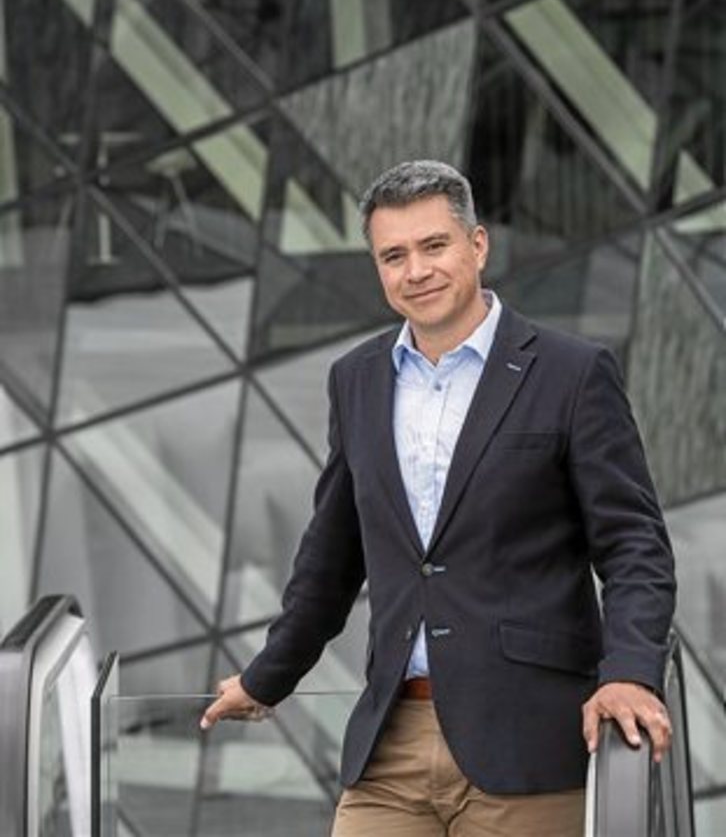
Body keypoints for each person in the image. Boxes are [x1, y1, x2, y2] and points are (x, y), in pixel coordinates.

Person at [201, 160, 676, 836]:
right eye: (393, 256)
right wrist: (265, 677)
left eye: (433, 246)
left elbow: (634, 546)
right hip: (390, 742)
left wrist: (629, 673)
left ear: (477, 245)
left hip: (529, 744)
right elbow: (331, 559)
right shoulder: (356, 379)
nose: (416, 270)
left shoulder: (572, 372)